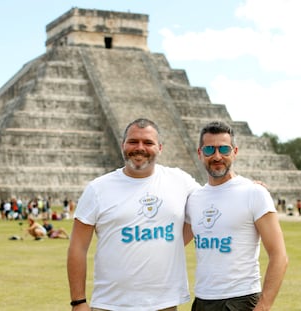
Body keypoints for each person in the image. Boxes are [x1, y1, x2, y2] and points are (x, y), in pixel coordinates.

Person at [67, 118, 201, 310]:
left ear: (160, 148)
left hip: (164, 303)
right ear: (123, 145)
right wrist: (78, 301)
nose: (140, 148)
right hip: (112, 304)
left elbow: (212, 201)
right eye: (133, 141)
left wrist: (250, 188)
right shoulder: (98, 188)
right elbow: (77, 247)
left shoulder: (179, 180)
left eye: (148, 142)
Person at [184, 121, 288, 311]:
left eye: (224, 149)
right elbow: (173, 242)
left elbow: (279, 255)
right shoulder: (194, 199)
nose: (217, 156)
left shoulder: (254, 193)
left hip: (240, 299)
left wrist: (263, 306)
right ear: (200, 154)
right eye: (209, 150)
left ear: (235, 151)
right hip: (202, 300)